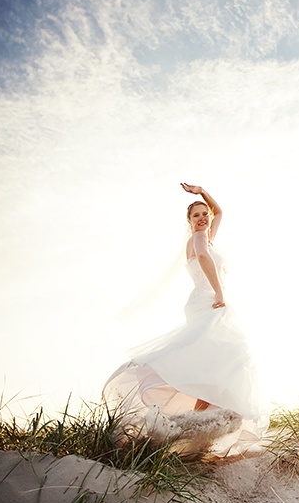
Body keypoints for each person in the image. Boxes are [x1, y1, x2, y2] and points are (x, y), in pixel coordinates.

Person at [103, 183, 269, 456]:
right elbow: (204, 257)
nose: (203, 217)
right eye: (196, 216)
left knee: (211, 365)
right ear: (189, 223)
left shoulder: (207, 234)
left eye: (205, 214)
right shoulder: (199, 240)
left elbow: (220, 211)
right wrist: (219, 292)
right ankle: (192, 427)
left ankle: (194, 429)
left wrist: (202, 192)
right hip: (210, 301)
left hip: (207, 301)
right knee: (228, 357)